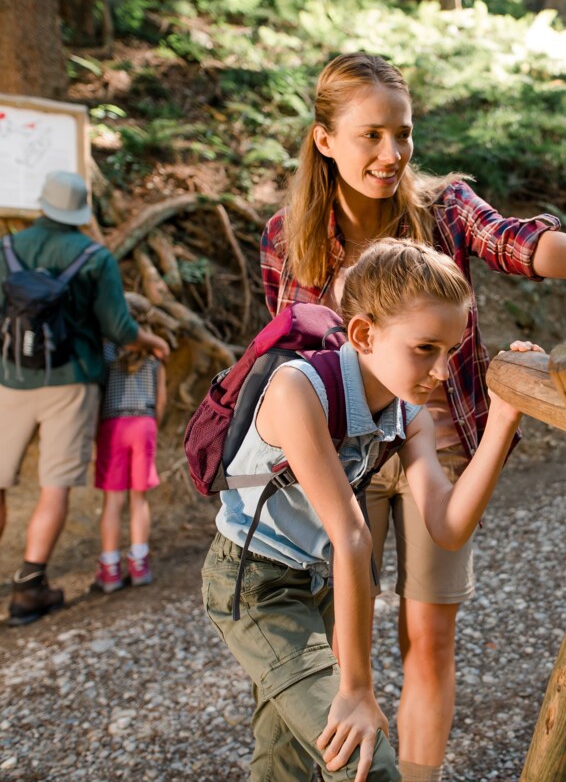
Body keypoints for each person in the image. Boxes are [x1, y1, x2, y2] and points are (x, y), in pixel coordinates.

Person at [259, 52, 566, 780]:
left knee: (429, 639)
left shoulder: (443, 207)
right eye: (371, 135)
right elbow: (292, 355)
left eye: (402, 134)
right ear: (323, 139)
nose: (391, 153)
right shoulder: (290, 237)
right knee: (342, 644)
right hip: (350, 455)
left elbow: (519, 243)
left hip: (443, 449)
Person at [202, 239, 538, 782]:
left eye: (450, 350)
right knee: (364, 761)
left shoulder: (410, 415)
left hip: (322, 583)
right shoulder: (298, 389)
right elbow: (352, 538)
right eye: (425, 348)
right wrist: (358, 691)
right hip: (257, 585)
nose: (441, 370)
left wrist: (501, 423)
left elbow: (448, 527)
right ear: (363, 334)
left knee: (286, 758)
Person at [0, 170, 169, 627]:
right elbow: (119, 329)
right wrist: (151, 340)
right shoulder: (95, 257)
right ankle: (29, 588)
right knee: (55, 485)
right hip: (72, 383)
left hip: (9, 379)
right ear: (79, 212)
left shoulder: (8, 249)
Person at [92, 310, 168, 594]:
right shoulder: (155, 355)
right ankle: (139, 564)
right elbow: (161, 400)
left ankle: (110, 569)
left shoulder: (107, 352)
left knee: (113, 500)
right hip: (144, 423)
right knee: (140, 498)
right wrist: (152, 425)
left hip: (113, 424)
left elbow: (97, 394)